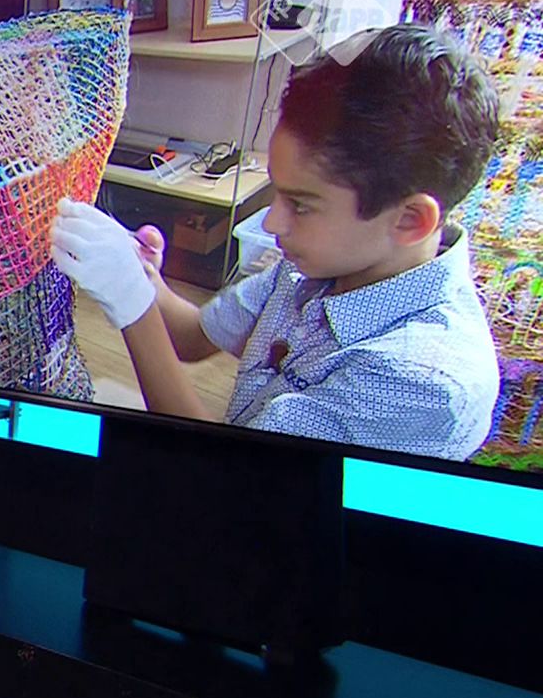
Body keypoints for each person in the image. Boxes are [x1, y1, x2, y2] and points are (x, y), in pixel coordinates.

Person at [50, 24, 502, 461]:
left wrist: (132, 302)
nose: (271, 222)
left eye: (301, 204)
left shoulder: (419, 383)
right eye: (277, 192)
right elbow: (194, 337)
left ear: (409, 220)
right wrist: (144, 277)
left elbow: (224, 476)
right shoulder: (317, 266)